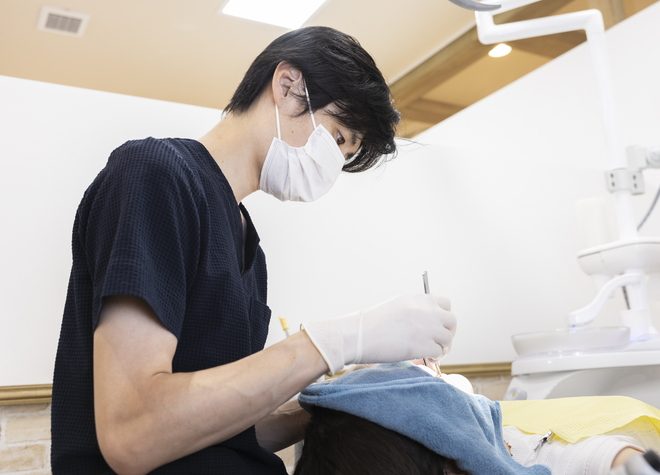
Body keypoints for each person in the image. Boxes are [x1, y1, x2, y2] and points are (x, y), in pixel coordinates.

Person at [50, 26, 457, 474]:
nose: (333, 165)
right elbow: (134, 432)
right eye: (339, 138)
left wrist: (355, 396)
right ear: (287, 86)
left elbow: (211, 428)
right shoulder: (157, 176)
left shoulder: (247, 244)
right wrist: (336, 341)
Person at [294, 362, 660, 475]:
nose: (431, 367)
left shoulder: (503, 440)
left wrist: (629, 463)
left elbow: (578, 455)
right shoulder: (361, 434)